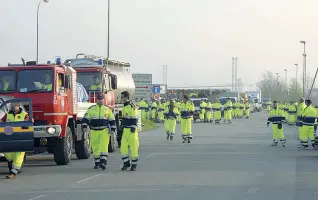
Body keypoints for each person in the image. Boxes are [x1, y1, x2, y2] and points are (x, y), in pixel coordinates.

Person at [82, 93, 116, 170]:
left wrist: (113, 129)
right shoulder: (91, 109)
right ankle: (97, 162)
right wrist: (84, 125)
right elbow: (85, 118)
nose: (100, 100)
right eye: (99, 99)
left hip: (104, 130)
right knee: (95, 146)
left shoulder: (107, 109)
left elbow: (112, 120)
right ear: (96, 99)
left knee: (104, 146)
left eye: (101, 99)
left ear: (103, 100)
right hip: (94, 130)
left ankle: (103, 162)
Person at [0, 102, 30, 179]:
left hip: (21, 137)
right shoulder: (8, 114)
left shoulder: (24, 114)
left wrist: (30, 121)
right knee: (6, 151)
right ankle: (12, 162)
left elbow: (29, 124)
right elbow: (2, 122)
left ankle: (13, 172)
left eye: (13, 105)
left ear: (18, 105)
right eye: (11, 105)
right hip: (9, 137)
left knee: (19, 154)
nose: (11, 106)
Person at [120, 91, 139, 171]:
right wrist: (121, 127)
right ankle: (126, 163)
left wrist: (133, 127)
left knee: (133, 148)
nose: (121, 98)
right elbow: (124, 118)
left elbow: (135, 118)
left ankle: (134, 164)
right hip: (125, 130)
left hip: (132, 131)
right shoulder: (124, 107)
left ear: (126, 97)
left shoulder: (132, 106)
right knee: (123, 147)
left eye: (122, 97)